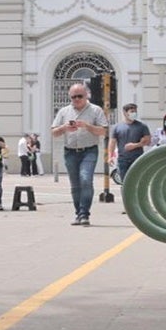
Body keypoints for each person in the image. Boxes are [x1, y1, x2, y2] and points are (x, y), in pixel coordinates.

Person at [51, 82, 109, 226]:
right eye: (73, 97)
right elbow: (53, 132)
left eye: (79, 96)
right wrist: (64, 127)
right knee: (75, 185)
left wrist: (87, 126)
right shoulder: (64, 111)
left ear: (86, 95)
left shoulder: (96, 110)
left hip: (89, 150)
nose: (76, 99)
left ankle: (84, 213)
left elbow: (104, 131)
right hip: (70, 151)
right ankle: (79, 213)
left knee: (85, 179)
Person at [108, 103, 152, 186]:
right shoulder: (117, 127)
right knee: (125, 184)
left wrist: (135, 145)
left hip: (137, 159)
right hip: (122, 160)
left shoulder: (142, 126)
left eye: (135, 111)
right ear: (125, 113)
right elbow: (112, 142)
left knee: (137, 182)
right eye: (132, 111)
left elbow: (148, 140)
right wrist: (110, 157)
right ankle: (126, 198)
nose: (134, 113)